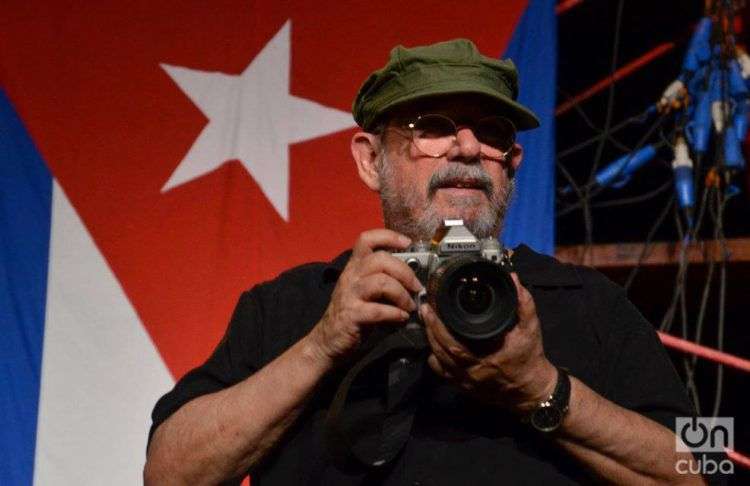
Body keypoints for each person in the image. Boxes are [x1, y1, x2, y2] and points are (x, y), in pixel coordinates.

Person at [144, 39, 709, 485]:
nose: (466, 148)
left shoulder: (591, 305)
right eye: (432, 129)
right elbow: (166, 472)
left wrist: (542, 387)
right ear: (370, 161)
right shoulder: (291, 307)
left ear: (510, 165)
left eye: (489, 134)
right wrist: (322, 344)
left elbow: (708, 462)